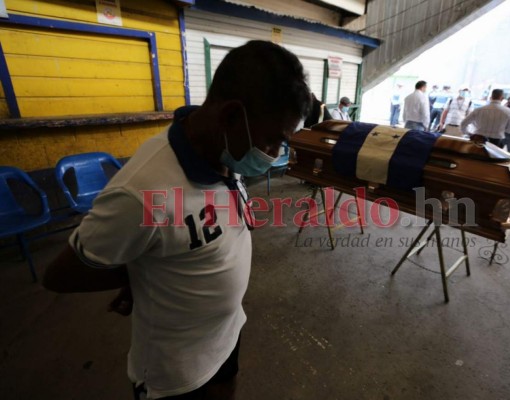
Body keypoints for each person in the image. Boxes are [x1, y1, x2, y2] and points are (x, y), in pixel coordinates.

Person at [42, 40, 312, 400]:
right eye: (274, 141)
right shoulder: (141, 191)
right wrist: (139, 271)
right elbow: (60, 275)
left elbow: (191, 234)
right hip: (175, 373)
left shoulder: (225, 154)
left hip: (226, 334)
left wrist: (151, 263)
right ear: (231, 116)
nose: (275, 154)